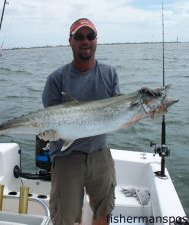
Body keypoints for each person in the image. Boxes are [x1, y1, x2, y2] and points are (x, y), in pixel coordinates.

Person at [42, 18, 120, 225]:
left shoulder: (109, 73)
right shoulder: (56, 78)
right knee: (64, 219)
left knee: (104, 211)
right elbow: (49, 118)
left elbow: (119, 111)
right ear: (70, 41)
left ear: (96, 40)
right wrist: (49, 132)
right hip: (67, 158)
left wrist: (144, 101)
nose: (85, 41)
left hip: (100, 154)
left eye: (90, 36)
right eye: (79, 36)